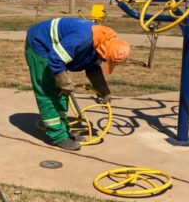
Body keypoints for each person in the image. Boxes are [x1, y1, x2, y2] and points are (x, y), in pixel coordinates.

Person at [25, 18, 130, 151]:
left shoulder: (102, 41)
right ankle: (58, 136)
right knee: (48, 91)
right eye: (105, 60)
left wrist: (104, 91)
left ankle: (63, 130)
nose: (103, 61)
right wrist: (64, 81)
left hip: (55, 51)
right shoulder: (82, 39)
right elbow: (55, 59)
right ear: (103, 51)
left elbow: (92, 67)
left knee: (62, 93)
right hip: (41, 44)